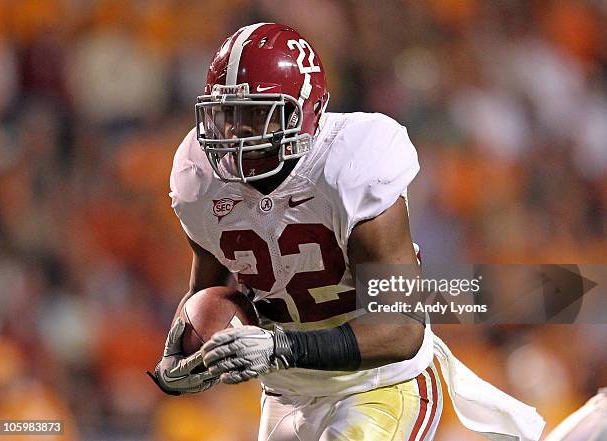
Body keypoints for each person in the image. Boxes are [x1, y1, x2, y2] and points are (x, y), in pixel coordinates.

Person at [148, 23, 545, 441]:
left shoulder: (349, 164)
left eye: (254, 114)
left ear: (302, 112)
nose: (234, 132)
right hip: (287, 391)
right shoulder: (200, 179)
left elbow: (400, 327)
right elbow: (211, 293)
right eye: (227, 114)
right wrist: (186, 354)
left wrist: (281, 347)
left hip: (379, 381)